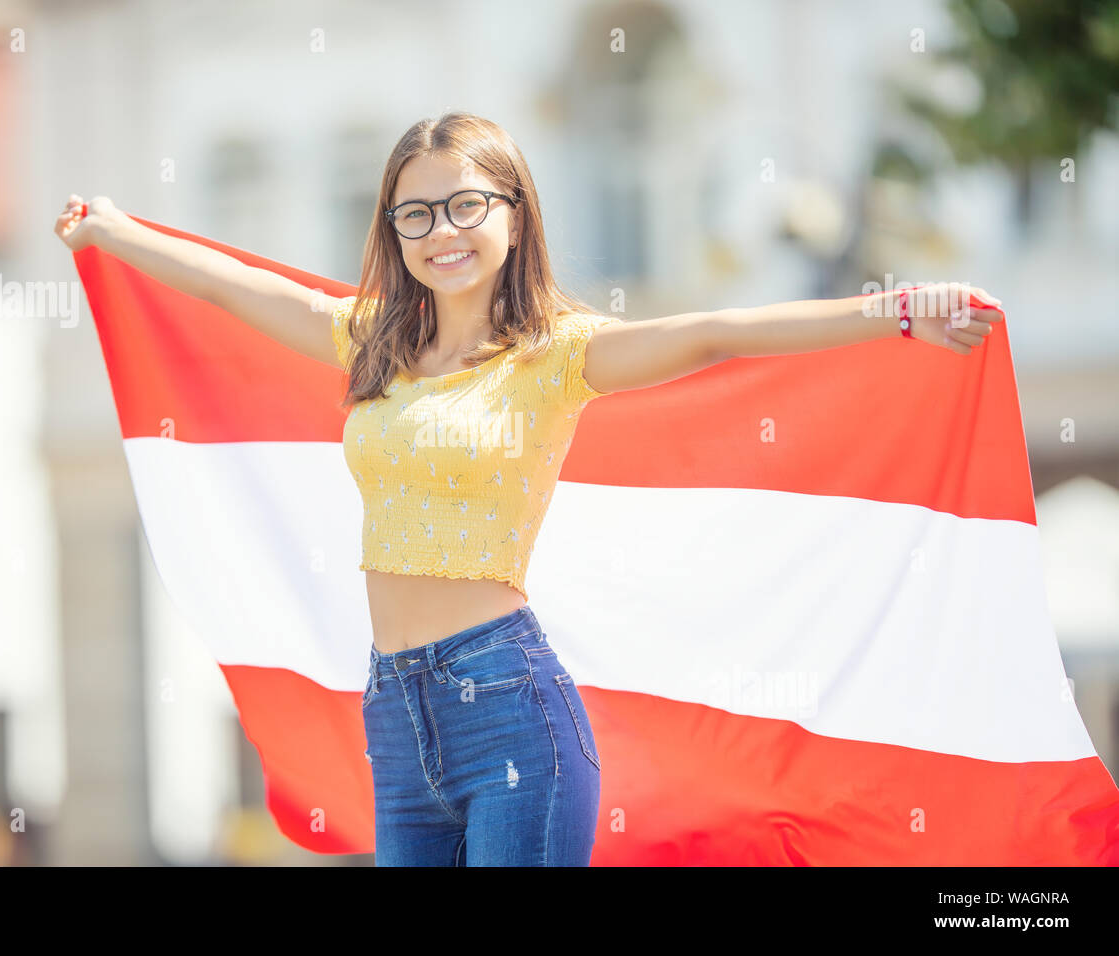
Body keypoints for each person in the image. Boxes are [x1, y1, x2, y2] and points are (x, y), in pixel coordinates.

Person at [54, 111, 1002, 866]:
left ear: (513, 211)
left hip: (507, 702)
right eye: (414, 214)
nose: (442, 233)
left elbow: (720, 332)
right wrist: (114, 230)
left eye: (466, 205)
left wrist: (902, 309)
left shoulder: (557, 355)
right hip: (393, 706)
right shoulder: (372, 340)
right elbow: (234, 292)